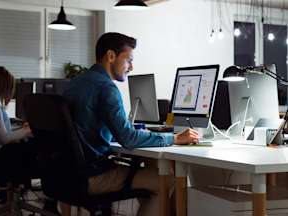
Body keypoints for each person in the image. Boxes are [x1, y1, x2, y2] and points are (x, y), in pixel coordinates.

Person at [63, 32, 199, 215]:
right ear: (111, 56)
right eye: (128, 60)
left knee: (151, 174)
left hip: (67, 174)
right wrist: (173, 138)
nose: (131, 67)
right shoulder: (106, 88)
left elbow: (92, 127)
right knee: (169, 182)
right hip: (93, 175)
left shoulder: (76, 83)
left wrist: (127, 128)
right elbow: (127, 139)